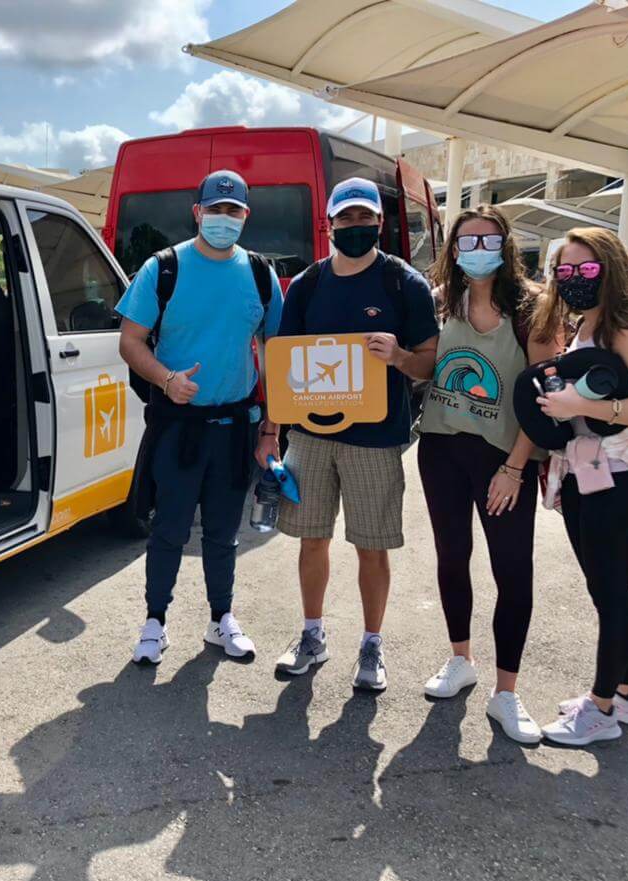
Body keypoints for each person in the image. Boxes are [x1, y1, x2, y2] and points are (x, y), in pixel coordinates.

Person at [258, 177, 439, 692]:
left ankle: (371, 645)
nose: (355, 227)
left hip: (377, 440)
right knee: (311, 539)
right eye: (346, 219)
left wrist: (400, 357)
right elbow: (282, 362)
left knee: (371, 547)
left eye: (365, 219)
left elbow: (429, 363)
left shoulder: (404, 284)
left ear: (379, 224)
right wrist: (272, 430)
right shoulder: (308, 286)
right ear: (330, 223)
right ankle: (312, 637)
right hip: (311, 438)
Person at [118, 170, 284, 666]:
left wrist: (271, 429)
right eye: (215, 210)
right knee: (168, 527)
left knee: (223, 530)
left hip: (236, 425)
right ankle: (154, 622)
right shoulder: (162, 269)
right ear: (197, 213)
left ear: (246, 217)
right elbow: (129, 341)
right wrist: (167, 379)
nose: (224, 219)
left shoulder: (259, 273)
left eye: (234, 211)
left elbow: (276, 351)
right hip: (177, 425)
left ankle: (221, 619)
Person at [415, 206, 560, 743]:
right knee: (452, 557)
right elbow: (427, 368)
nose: (478, 248)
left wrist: (516, 468)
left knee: (512, 570)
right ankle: (461, 660)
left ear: (506, 244)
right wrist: (398, 356)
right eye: (467, 240)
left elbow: (544, 397)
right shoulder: (441, 303)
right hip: (441, 450)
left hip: (504, 459)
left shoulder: (534, 308)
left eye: (488, 239)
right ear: (453, 248)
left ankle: (507, 693)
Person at [532, 227, 628, 747]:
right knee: (614, 590)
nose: (573, 280)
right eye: (564, 272)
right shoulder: (587, 325)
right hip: (590, 471)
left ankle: (601, 709)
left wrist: (582, 406)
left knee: (610, 593)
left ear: (611, 270)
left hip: (619, 478)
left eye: (586, 270)